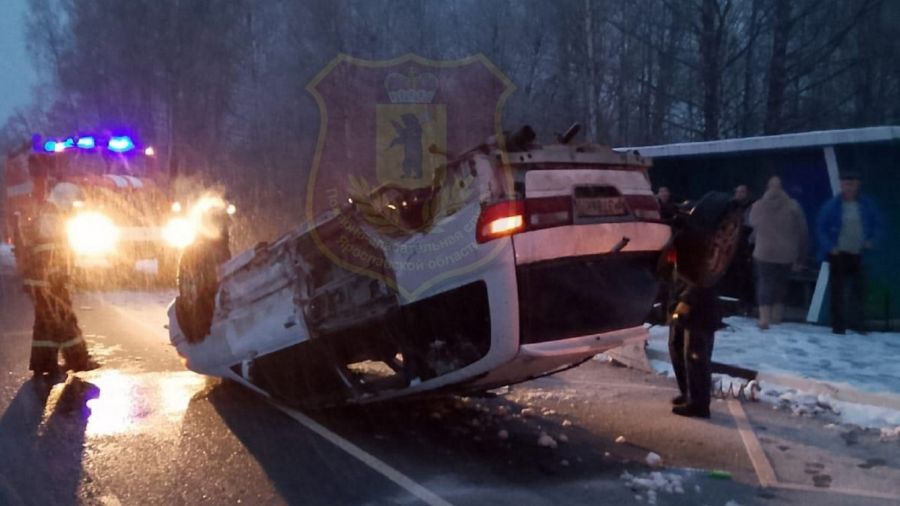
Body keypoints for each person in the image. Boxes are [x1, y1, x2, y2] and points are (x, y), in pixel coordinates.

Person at [19, 182, 99, 378]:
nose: (73, 208)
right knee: (65, 319)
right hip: (49, 282)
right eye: (72, 203)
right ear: (65, 200)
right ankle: (78, 361)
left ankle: (43, 363)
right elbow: (50, 252)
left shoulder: (49, 214)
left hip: (43, 281)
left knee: (46, 323)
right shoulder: (52, 218)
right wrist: (58, 277)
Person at [815, 172, 884, 334]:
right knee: (838, 291)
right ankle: (838, 327)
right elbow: (821, 228)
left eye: (851, 184)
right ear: (841, 185)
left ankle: (858, 324)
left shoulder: (866, 205)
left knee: (859, 290)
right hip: (839, 254)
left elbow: (878, 225)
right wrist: (829, 246)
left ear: (857, 185)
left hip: (859, 254)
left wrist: (872, 241)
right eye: (845, 184)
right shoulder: (832, 205)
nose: (848, 187)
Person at [748, 176, 808, 329]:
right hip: (786, 253)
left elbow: (751, 224)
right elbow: (802, 231)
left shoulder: (758, 205)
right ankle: (776, 316)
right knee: (781, 284)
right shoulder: (793, 206)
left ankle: (764, 318)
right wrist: (801, 257)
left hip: (763, 252)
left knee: (764, 283)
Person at [668, 279, 718, 418]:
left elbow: (706, 274)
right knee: (676, 347)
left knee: (695, 354)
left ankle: (699, 404)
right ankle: (688, 393)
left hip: (699, 304)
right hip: (679, 291)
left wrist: (687, 298)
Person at [731, 184, 755, 315]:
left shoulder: (752, 206)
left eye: (742, 192)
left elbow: (752, 226)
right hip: (731, 244)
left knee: (746, 276)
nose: (739, 194)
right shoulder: (731, 206)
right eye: (738, 191)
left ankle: (747, 304)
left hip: (746, 245)